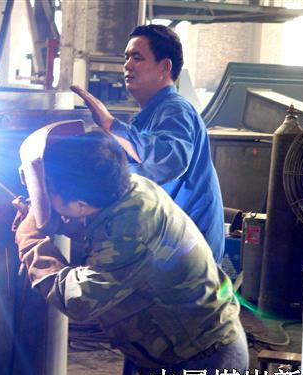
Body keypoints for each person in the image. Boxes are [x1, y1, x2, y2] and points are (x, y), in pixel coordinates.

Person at [14, 131, 248, 375]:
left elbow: (80, 299)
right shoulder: (127, 187)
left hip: (201, 363)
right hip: (162, 355)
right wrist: (55, 221)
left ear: (80, 205)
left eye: (49, 194)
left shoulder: (131, 230)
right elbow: (100, 231)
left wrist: (31, 241)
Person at [71, 24, 224, 263]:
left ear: (165, 67)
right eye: (127, 57)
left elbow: (169, 161)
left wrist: (110, 124)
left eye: (137, 57)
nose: (127, 65)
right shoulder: (148, 116)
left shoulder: (176, 110)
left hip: (188, 253)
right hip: (171, 246)